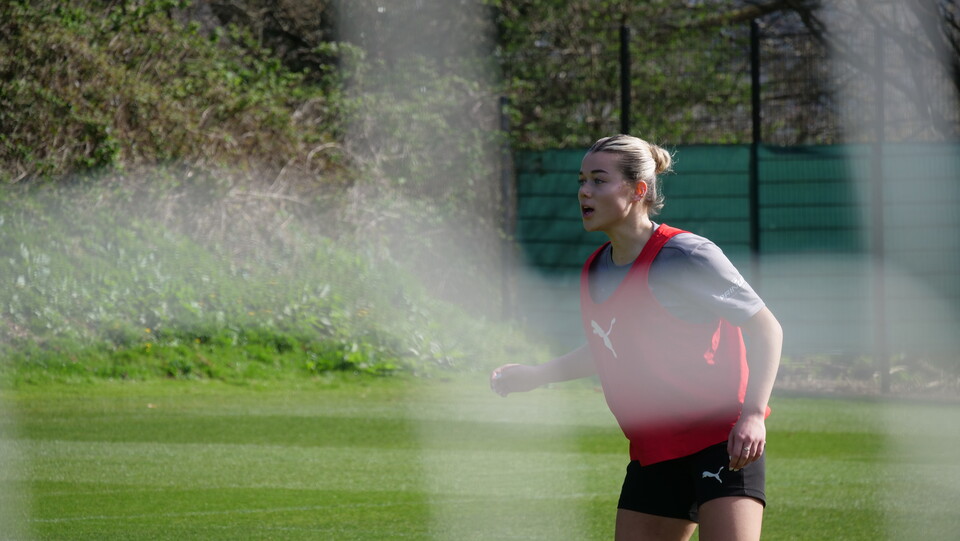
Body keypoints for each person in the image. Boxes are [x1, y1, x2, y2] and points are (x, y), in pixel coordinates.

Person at [490, 134, 783, 541]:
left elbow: (766, 327)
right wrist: (537, 376)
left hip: (721, 440)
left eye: (598, 180)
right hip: (654, 449)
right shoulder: (596, 269)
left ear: (637, 190)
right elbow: (608, 350)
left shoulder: (686, 256)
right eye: (581, 181)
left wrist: (753, 414)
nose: (584, 192)